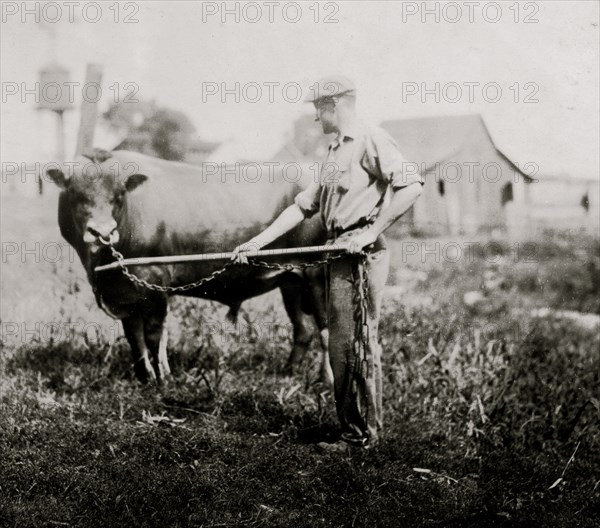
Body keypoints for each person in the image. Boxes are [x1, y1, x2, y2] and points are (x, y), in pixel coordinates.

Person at [233, 75, 423, 450]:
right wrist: (257, 242)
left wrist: (371, 232)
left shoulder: (371, 139)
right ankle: (356, 429)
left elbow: (412, 186)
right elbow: (304, 206)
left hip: (361, 254)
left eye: (318, 109)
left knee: (357, 344)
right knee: (342, 346)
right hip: (338, 251)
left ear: (335, 104)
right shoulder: (335, 152)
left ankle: (361, 436)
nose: (316, 119)